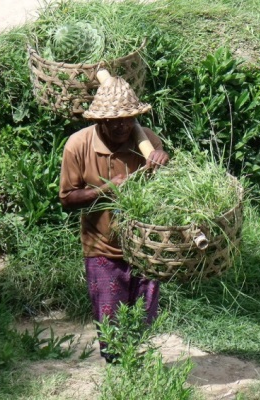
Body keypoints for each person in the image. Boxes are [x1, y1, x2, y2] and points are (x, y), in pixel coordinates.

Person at [59, 75, 169, 363]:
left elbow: (170, 193)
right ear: (100, 121)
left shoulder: (147, 141)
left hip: (145, 247)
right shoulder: (78, 145)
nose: (122, 125)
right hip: (102, 249)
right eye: (114, 120)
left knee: (144, 322)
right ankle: (119, 375)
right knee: (111, 330)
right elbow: (67, 199)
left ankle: (138, 376)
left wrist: (164, 162)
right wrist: (107, 189)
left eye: (128, 118)